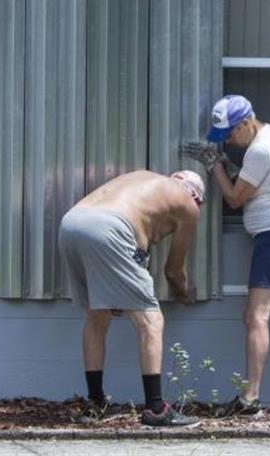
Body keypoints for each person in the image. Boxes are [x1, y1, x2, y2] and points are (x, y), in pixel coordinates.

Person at [186, 95, 270, 415]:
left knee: (255, 316)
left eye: (230, 134)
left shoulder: (259, 150)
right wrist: (229, 164)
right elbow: (260, 182)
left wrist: (214, 165)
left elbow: (234, 198)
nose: (229, 141)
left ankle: (250, 399)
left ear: (246, 122)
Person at [57, 169, 205, 427]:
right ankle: (157, 409)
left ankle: (95, 404)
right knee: (151, 321)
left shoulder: (143, 178)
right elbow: (172, 271)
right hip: (110, 229)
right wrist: (184, 293)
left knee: (96, 316)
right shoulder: (189, 204)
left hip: (71, 224)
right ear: (194, 194)